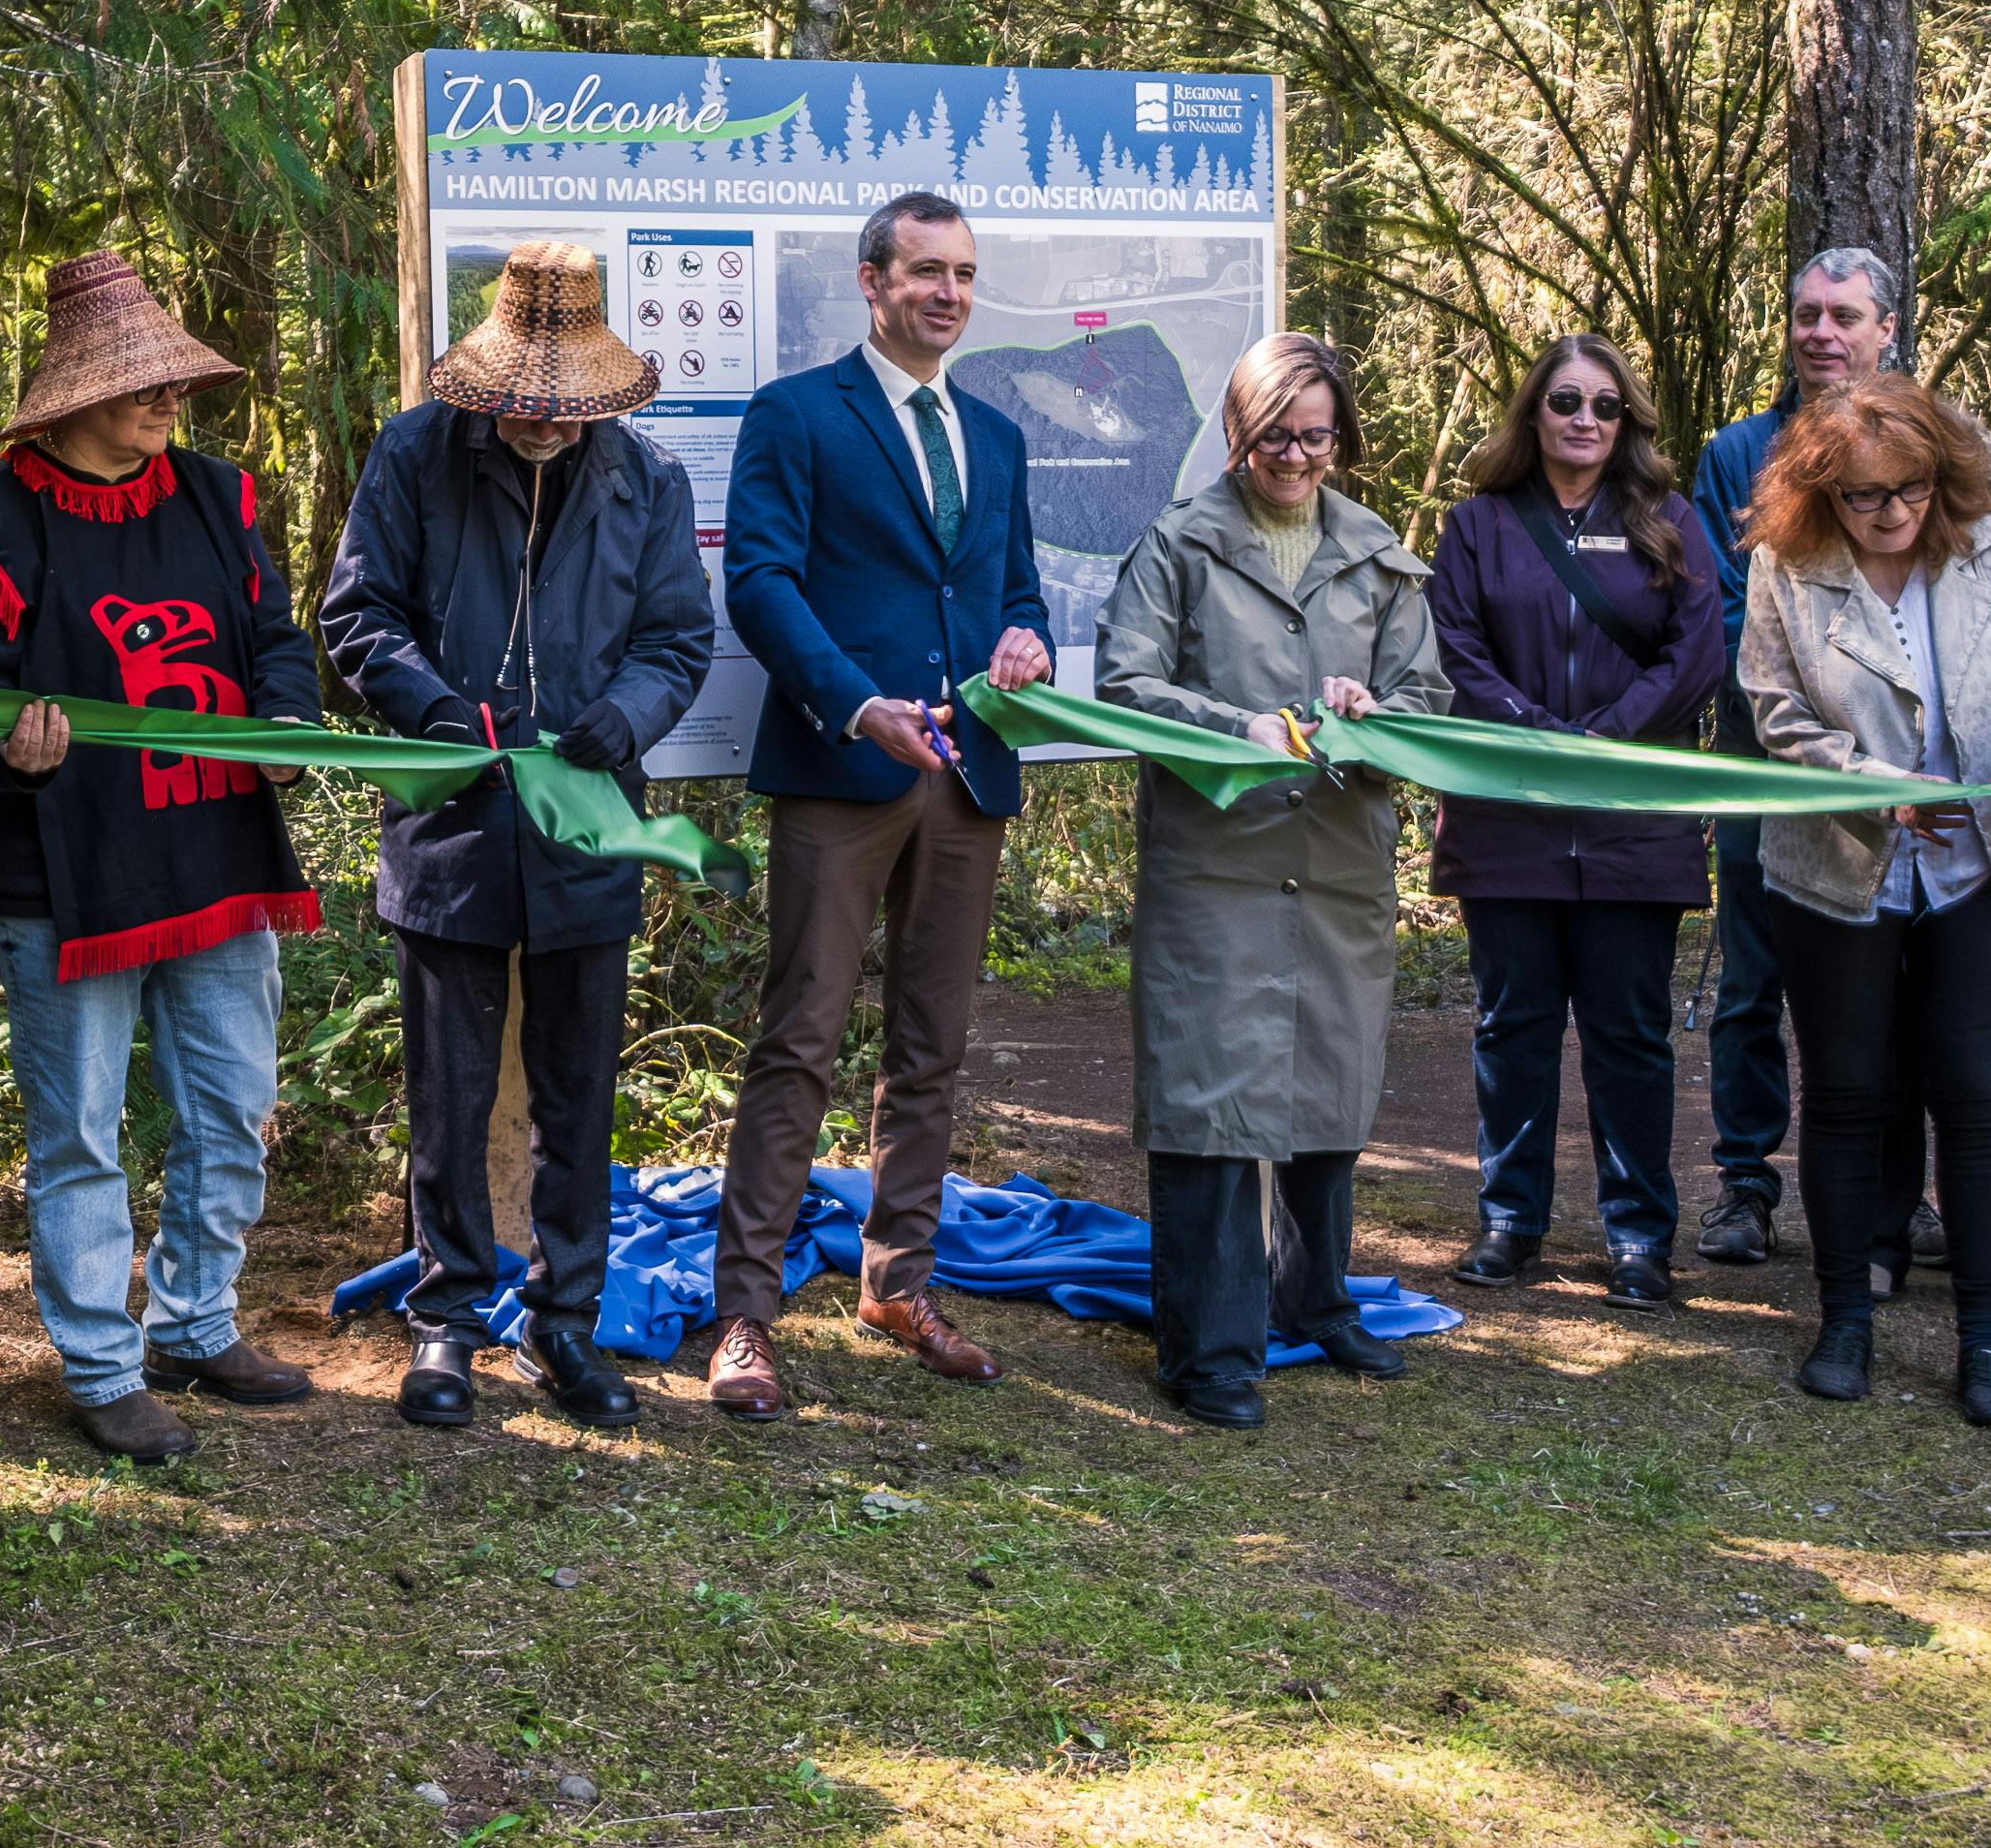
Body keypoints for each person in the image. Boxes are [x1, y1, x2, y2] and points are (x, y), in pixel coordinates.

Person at [322, 247, 718, 1429]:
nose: (543, 423)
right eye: (523, 403)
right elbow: (356, 611)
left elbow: (677, 639)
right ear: (488, 385)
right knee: (446, 1093)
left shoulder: (647, 482)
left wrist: (630, 713)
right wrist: (432, 709)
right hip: (451, 813)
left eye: (567, 405)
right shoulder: (414, 455)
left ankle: (564, 1324)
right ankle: (445, 1319)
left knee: (577, 1095)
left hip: (591, 824)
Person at [0, 256, 328, 1462]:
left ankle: (193, 1319)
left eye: (174, 381)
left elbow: (273, 636)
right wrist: (8, 749)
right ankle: (102, 1361)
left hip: (219, 852)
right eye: (141, 384)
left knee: (234, 1107)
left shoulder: (217, 496)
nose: (168, 401)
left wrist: (283, 724)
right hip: (67, 873)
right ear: (69, 396)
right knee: (79, 1130)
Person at [701, 189, 1053, 1417]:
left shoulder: (997, 439)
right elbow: (759, 584)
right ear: (871, 280)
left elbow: (1019, 594)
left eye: (962, 273)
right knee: (798, 1039)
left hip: (967, 778)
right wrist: (859, 707)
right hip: (844, 772)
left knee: (932, 1046)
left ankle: (900, 1280)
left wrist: (1026, 644)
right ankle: (744, 1313)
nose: (947, 293)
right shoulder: (797, 414)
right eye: (923, 273)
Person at [1088, 336, 1442, 1425]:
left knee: (1328, 1086)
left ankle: (1316, 1298)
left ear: (1343, 437)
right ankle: (1209, 1349)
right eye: (1276, 433)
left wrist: (1376, 712)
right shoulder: (1181, 544)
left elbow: (1426, 699)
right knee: (1209, 1102)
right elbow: (1124, 681)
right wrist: (1235, 723)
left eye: (1317, 433)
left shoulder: (1379, 553)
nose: (1296, 454)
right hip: (1218, 863)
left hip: (1335, 865)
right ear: (1239, 432)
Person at [1729, 381, 1991, 1425]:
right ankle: (1845, 1320)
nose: (1892, 512)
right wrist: (1868, 780)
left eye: (1912, 489)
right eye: (1864, 496)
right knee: (1848, 1092)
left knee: (1979, 1092)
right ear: (1823, 493)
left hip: (1985, 860)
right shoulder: (1784, 566)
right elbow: (1774, 709)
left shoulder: (1988, 543)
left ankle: (1987, 1341)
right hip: (1841, 866)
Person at [1428, 336, 1738, 1304]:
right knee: (1512, 1025)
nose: (1586, 420)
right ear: (1534, 411)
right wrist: (1530, 734)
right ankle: (1509, 1218)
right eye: (1566, 400)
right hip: (1507, 816)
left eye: (1607, 407)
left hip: (1632, 821)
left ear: (1630, 421)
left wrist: (1603, 737)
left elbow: (1695, 657)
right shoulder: (1476, 527)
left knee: (1631, 1034)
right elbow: (1453, 646)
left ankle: (1641, 1234)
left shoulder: (1672, 522)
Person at [1678, 242, 1899, 1274]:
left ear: (1884, 330)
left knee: (1895, 975)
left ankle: (1894, 1192)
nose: (1821, 331)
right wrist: (1802, 723)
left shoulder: (1923, 444)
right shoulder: (1737, 454)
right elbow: (1724, 610)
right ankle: (1745, 1188)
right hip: (1763, 752)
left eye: (1843, 316)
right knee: (1752, 977)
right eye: (1807, 313)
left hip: (1899, 765)